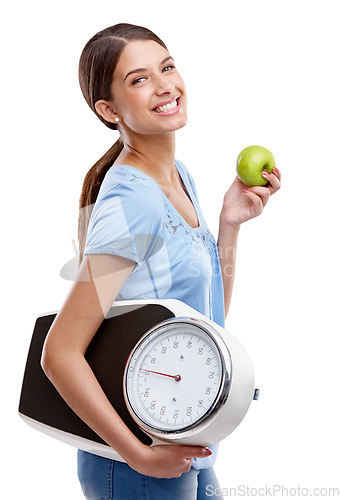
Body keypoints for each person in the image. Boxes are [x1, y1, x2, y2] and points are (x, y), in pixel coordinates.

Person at [41, 23, 281, 500]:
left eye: (166, 67)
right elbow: (60, 353)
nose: (165, 84)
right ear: (109, 111)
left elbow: (204, 321)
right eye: (139, 79)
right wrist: (139, 456)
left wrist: (227, 224)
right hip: (134, 458)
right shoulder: (133, 201)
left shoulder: (179, 177)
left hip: (183, 439)